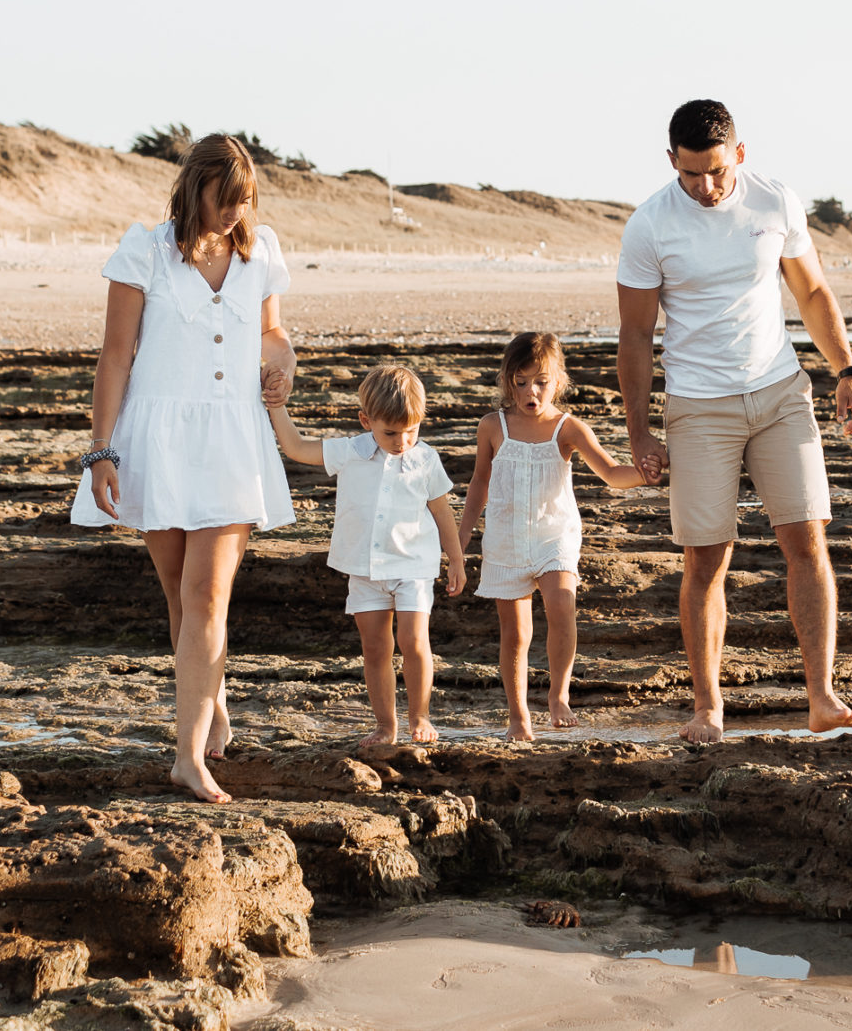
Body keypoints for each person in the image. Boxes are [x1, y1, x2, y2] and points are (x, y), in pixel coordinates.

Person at [615, 98, 852, 744]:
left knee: (807, 541)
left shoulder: (774, 200)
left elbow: (810, 291)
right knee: (707, 559)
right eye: (691, 174)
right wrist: (640, 430)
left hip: (781, 392)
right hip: (699, 407)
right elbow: (637, 335)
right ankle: (707, 709)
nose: (706, 186)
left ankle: (822, 698)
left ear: (741, 155)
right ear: (671, 160)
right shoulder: (650, 225)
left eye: (718, 172)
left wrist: (846, 370)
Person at [75, 135, 296, 803]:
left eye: (242, 203)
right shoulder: (144, 251)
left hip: (232, 439)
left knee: (206, 595)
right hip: (157, 439)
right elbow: (115, 356)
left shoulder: (260, 255)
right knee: (178, 591)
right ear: (193, 187)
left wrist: (284, 360)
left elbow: (273, 333)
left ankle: (188, 754)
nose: (231, 215)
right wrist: (101, 450)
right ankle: (212, 699)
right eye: (221, 201)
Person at [263, 361, 467, 746]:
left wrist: (455, 560)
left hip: (413, 566)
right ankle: (386, 725)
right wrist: (277, 405)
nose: (402, 440)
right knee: (375, 648)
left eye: (412, 430)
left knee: (413, 640)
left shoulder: (426, 459)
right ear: (365, 420)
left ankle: (420, 716)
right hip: (365, 568)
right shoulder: (349, 452)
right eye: (390, 432)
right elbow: (294, 447)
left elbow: (442, 511)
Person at [459, 331, 647, 740]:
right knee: (516, 633)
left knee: (562, 603)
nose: (531, 391)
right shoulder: (493, 426)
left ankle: (558, 695)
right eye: (521, 382)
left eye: (541, 381)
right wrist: (461, 539)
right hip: (505, 539)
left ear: (558, 380)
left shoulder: (568, 428)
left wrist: (648, 472)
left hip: (553, 535)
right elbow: (479, 483)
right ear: (508, 381)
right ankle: (518, 717)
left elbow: (613, 475)